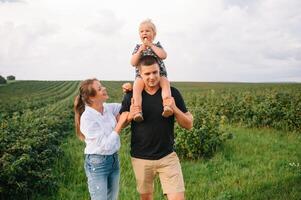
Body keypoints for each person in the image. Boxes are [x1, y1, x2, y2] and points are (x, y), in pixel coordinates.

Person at [120, 55, 193, 200]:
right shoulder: (131, 97)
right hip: (141, 158)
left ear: (160, 71)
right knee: (146, 197)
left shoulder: (172, 93)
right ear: (140, 75)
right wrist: (129, 116)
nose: (152, 77)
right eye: (147, 74)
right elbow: (119, 122)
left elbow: (189, 124)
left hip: (167, 157)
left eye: (155, 72)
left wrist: (174, 108)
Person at [74, 78, 129, 200]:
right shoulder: (87, 118)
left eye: (102, 86)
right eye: (99, 88)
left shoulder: (107, 108)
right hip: (98, 163)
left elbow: (125, 108)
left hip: (113, 160)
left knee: (112, 198)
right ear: (92, 98)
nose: (104, 88)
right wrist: (120, 123)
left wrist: (128, 94)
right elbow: (106, 145)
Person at [130, 19, 173, 122]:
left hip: (160, 74)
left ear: (154, 34)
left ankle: (167, 105)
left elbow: (163, 55)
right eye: (142, 31)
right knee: (136, 88)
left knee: (166, 84)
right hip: (142, 77)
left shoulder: (156, 46)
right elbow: (133, 62)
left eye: (147, 31)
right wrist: (141, 50)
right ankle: (137, 111)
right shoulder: (138, 48)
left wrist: (151, 45)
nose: (144, 33)